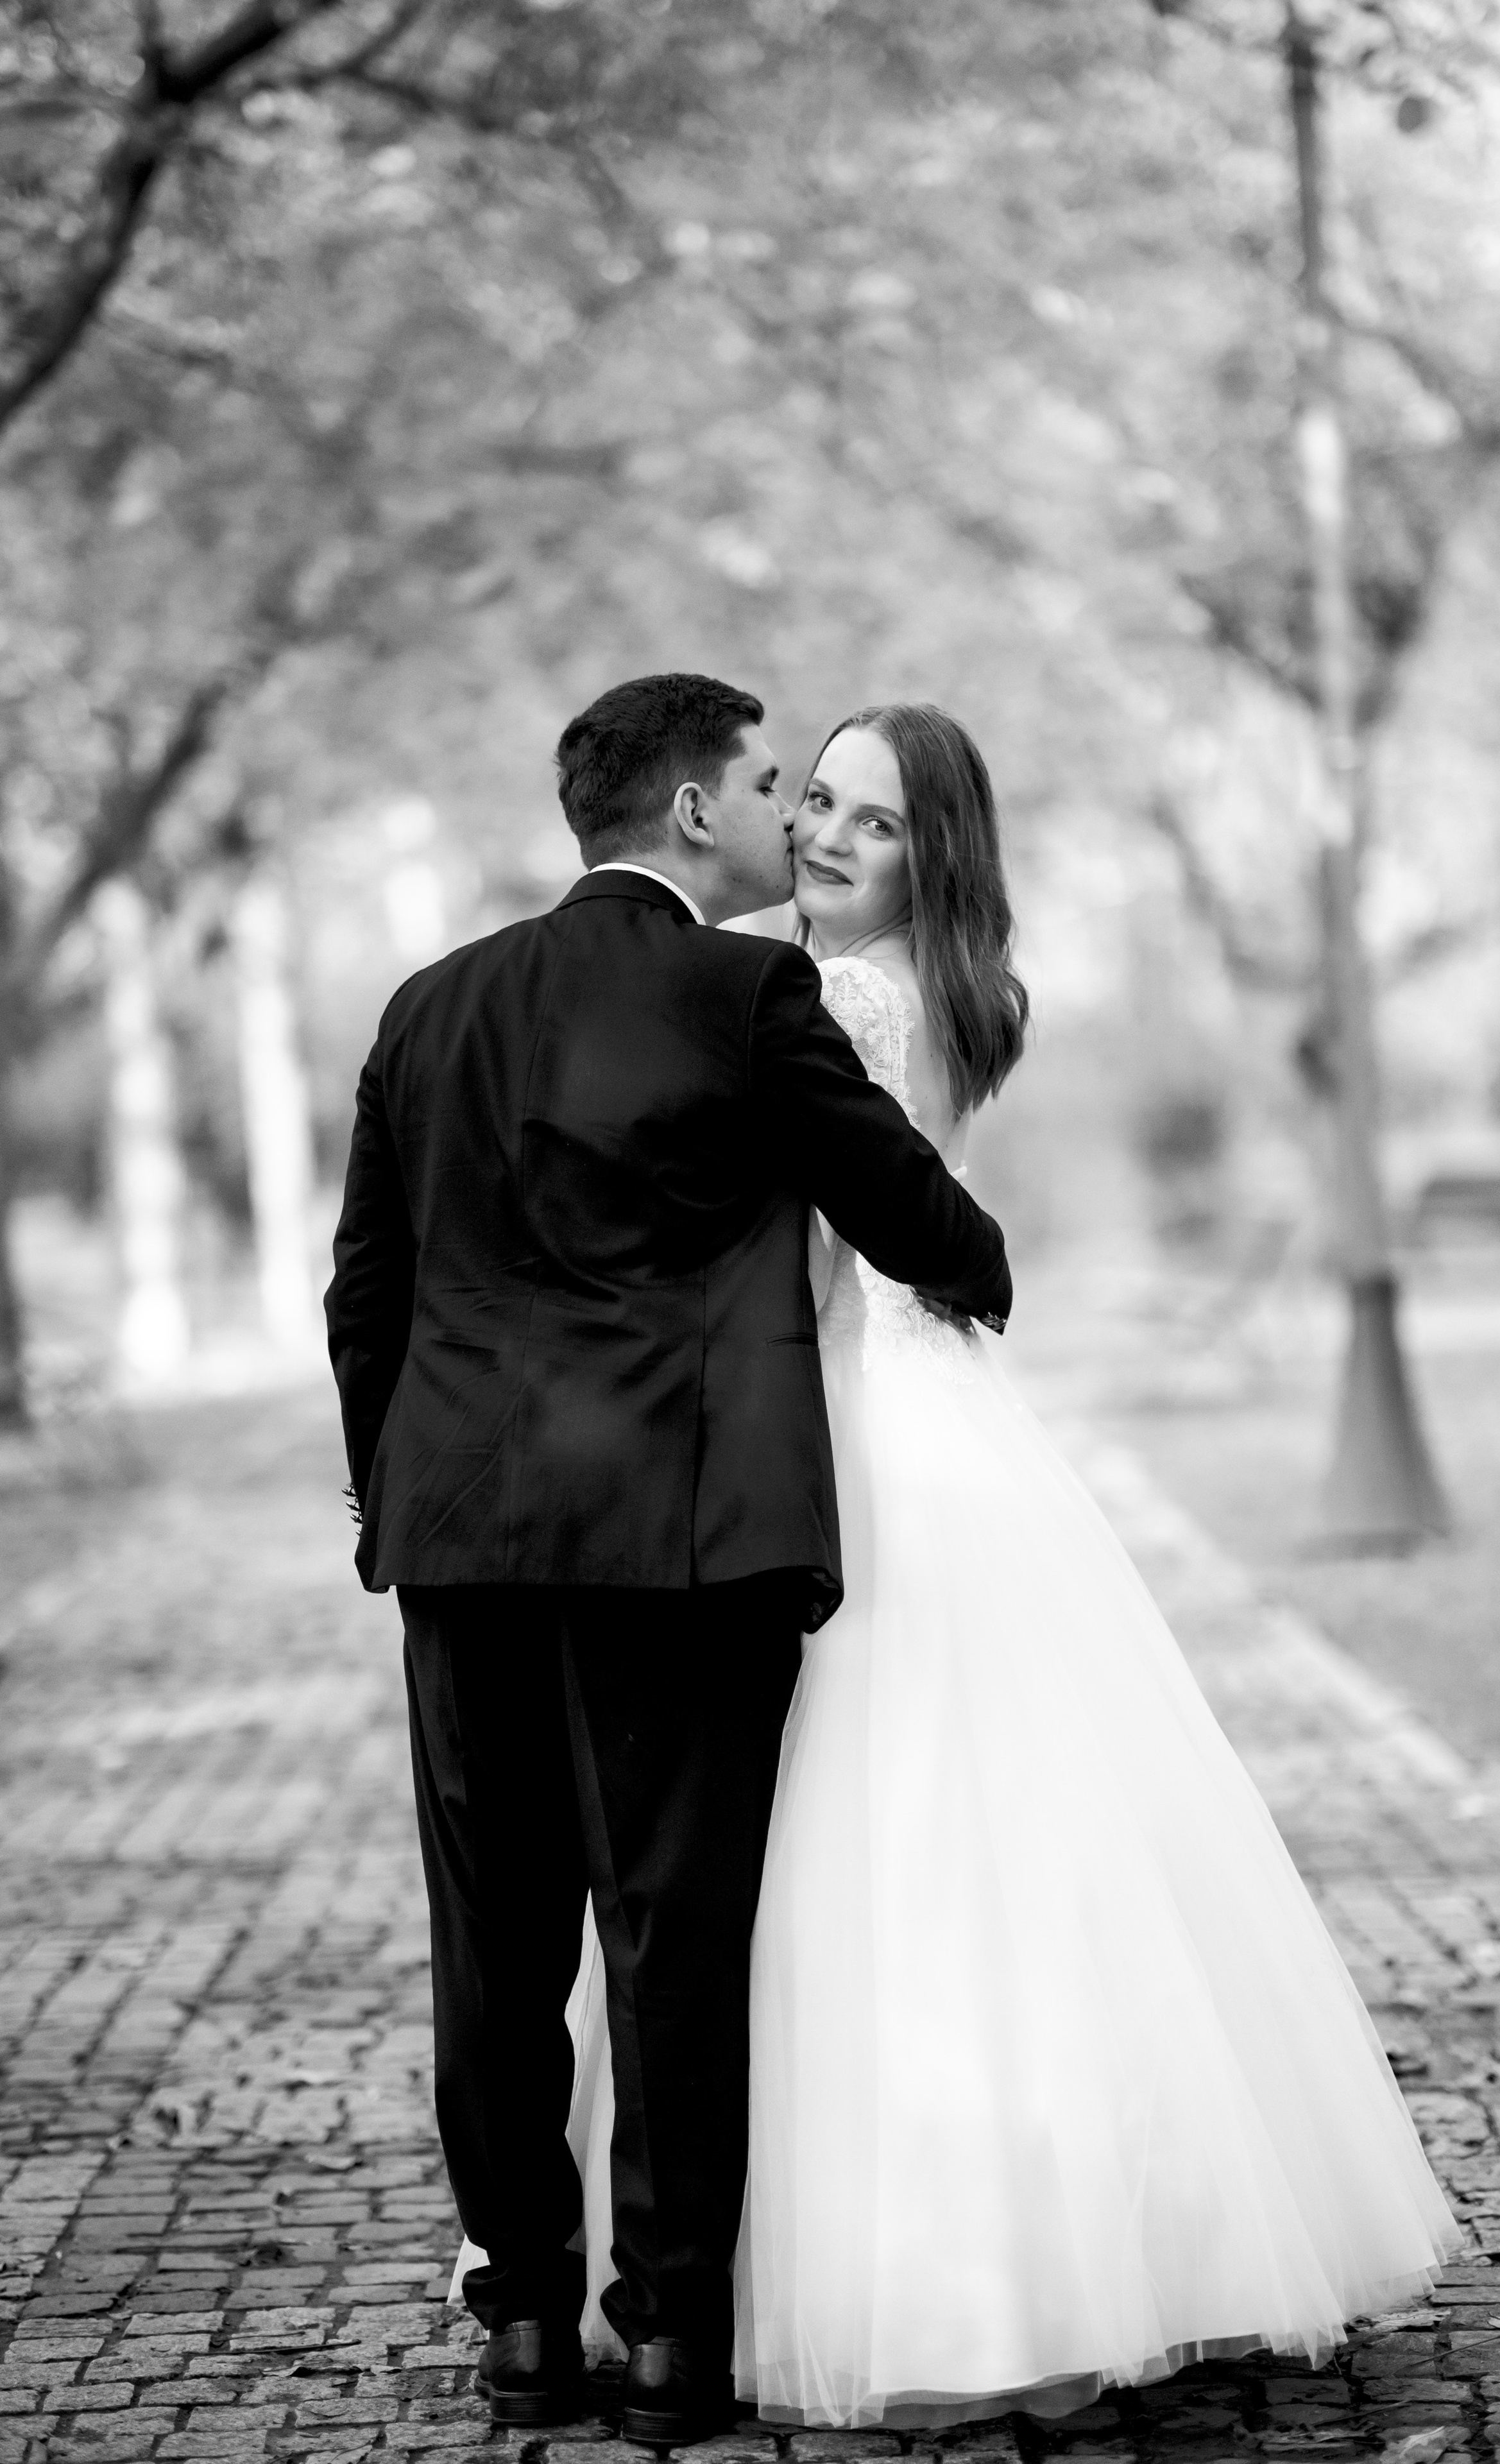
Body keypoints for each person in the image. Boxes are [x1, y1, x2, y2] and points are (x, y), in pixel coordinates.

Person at [549, 703, 1459, 2432]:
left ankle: (907, 2258)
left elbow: (817, 1252)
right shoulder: (832, 979)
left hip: (847, 1429)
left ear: (933, 857)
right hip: (918, 1407)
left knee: (868, 1823)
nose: (823, 835)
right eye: (813, 798)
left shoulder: (835, 997)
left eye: (875, 825)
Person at [324, 675, 1011, 2440]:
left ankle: (529, 2329)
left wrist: (393, 1503)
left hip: (466, 1545)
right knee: (671, 1942)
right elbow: (901, 1205)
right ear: (695, 810)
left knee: (493, 1946)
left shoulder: (430, 1009)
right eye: (773, 783)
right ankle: (674, 2348)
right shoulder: (746, 990)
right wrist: (980, 1262)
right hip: (685, 1546)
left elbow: (367, 1301)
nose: (795, 816)